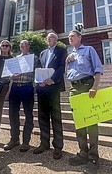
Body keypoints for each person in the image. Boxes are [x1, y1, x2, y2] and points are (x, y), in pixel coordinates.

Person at [66, 30, 103, 174]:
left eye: (72, 36)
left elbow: (98, 69)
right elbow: (68, 74)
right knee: (79, 122)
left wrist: (95, 87)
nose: (70, 39)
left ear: (80, 38)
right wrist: (66, 61)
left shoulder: (89, 49)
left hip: (87, 86)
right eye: (69, 37)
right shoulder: (71, 54)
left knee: (91, 122)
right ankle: (83, 152)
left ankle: (94, 156)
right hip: (74, 88)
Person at [33, 32, 67, 160]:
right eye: (48, 38)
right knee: (43, 116)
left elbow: (61, 67)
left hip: (54, 86)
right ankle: (44, 143)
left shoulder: (61, 50)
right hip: (42, 88)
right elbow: (39, 68)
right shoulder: (42, 53)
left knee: (56, 117)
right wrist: (39, 82)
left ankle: (58, 146)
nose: (49, 39)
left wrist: (51, 80)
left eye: (51, 37)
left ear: (56, 40)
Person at [4, 40, 36, 152]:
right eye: (21, 44)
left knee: (28, 114)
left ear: (28, 46)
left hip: (27, 87)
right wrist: (12, 76)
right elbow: (8, 74)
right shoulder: (15, 59)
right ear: (20, 47)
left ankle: (26, 142)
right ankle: (14, 139)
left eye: (25, 44)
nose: (23, 46)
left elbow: (37, 73)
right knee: (12, 114)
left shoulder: (34, 58)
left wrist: (35, 87)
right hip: (15, 88)